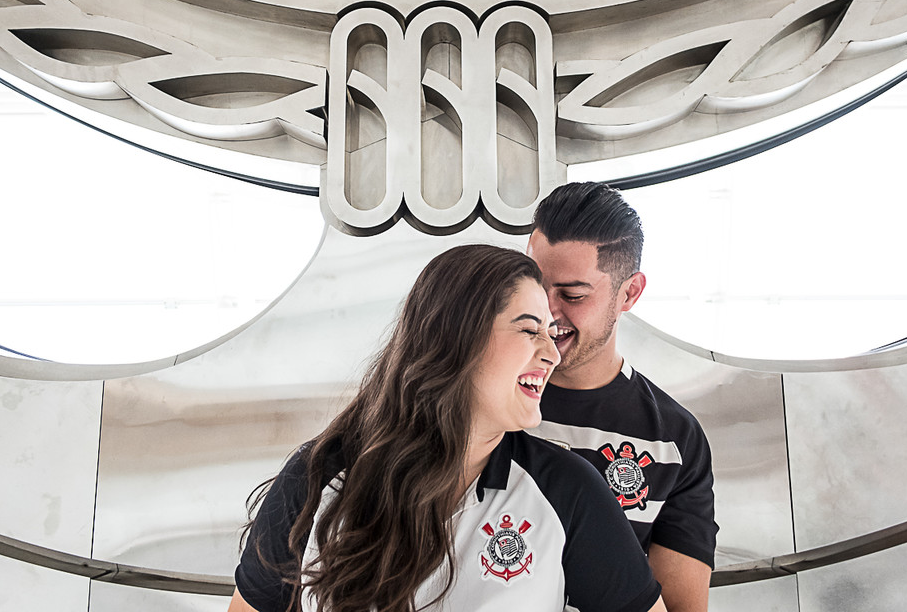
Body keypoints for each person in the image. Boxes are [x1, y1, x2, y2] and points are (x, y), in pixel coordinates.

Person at [229, 244, 666, 612]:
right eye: (531, 330)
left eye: (550, 333)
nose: (551, 353)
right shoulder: (321, 474)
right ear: (459, 340)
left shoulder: (566, 491)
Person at [527, 182, 717, 612]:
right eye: (535, 285)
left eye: (572, 295)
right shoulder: (478, 396)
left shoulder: (673, 440)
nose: (547, 311)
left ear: (629, 293)